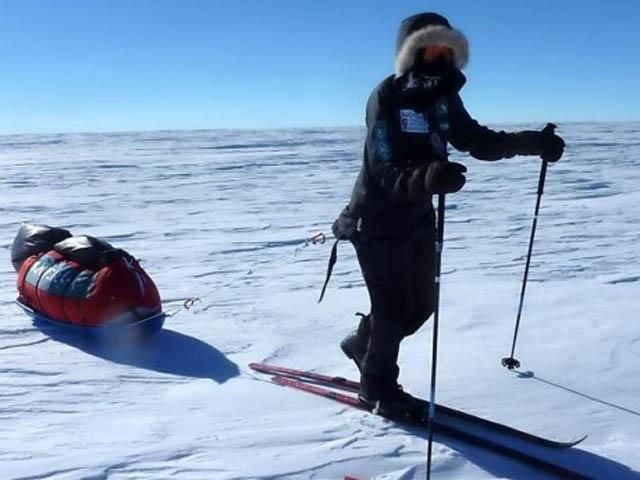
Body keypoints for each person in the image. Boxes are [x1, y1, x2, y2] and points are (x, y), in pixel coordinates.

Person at [331, 12, 565, 414]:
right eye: (429, 46)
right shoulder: (386, 96)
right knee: (391, 308)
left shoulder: (444, 98)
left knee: (420, 306)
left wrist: (534, 143)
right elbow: (383, 168)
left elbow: (476, 140)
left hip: (418, 217)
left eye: (446, 46)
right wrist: (426, 178)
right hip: (376, 219)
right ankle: (377, 387)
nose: (438, 54)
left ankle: (362, 344)